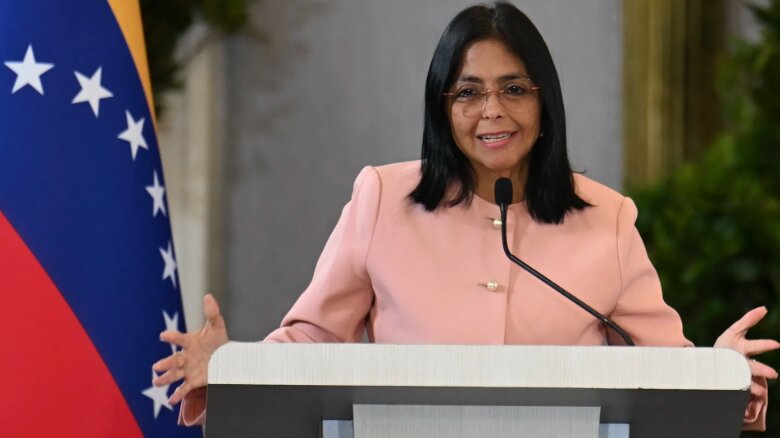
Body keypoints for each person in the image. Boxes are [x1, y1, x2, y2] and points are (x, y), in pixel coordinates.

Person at [152, 1, 779, 430]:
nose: (492, 112)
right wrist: (232, 366)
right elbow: (313, 342)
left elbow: (665, 369)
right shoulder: (381, 199)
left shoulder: (606, 218)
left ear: (544, 101)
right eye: (469, 92)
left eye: (514, 88)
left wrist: (721, 374)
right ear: (441, 106)